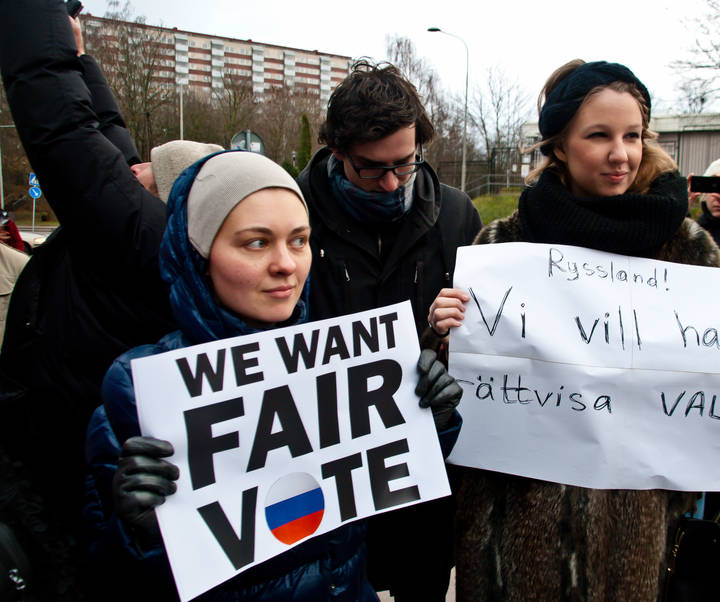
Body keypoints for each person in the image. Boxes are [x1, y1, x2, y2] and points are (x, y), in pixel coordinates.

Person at [427, 60, 720, 600]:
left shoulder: (689, 251)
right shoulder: (503, 247)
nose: (621, 153)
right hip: (512, 547)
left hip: (639, 553)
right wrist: (444, 338)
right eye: (599, 136)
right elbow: (453, 397)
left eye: (633, 135)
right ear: (559, 146)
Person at [83, 150, 463, 601]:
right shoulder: (138, 395)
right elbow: (105, 581)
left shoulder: (340, 365)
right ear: (199, 255)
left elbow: (375, 517)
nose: (286, 264)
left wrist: (426, 425)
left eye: (299, 240)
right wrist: (136, 533)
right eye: (257, 242)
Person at [0, 1, 222, 596]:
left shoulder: (138, 237)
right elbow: (107, 136)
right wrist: (83, 57)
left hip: (64, 453)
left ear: (169, 200)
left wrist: (35, 18)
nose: (134, 164)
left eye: (150, 169)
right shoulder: (161, 232)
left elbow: (63, 130)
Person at [297, 59, 482, 600]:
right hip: (325, 474)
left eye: (406, 164)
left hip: (424, 474)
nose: (392, 182)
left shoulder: (454, 213)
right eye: (371, 168)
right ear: (336, 152)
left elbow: (484, 345)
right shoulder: (296, 212)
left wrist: (446, 342)